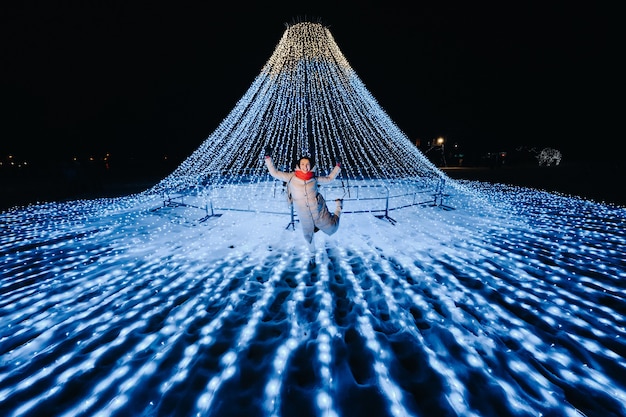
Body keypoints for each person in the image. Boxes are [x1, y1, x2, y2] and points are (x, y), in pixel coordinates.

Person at [263, 147, 343, 249]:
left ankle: (339, 207)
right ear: (299, 166)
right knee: (308, 236)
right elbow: (274, 173)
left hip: (318, 211)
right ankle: (312, 256)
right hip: (304, 213)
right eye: (303, 164)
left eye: (307, 164)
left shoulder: (314, 178)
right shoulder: (291, 177)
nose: (305, 167)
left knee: (332, 227)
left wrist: (338, 166)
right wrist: (268, 157)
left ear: (311, 165)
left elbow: (329, 179)